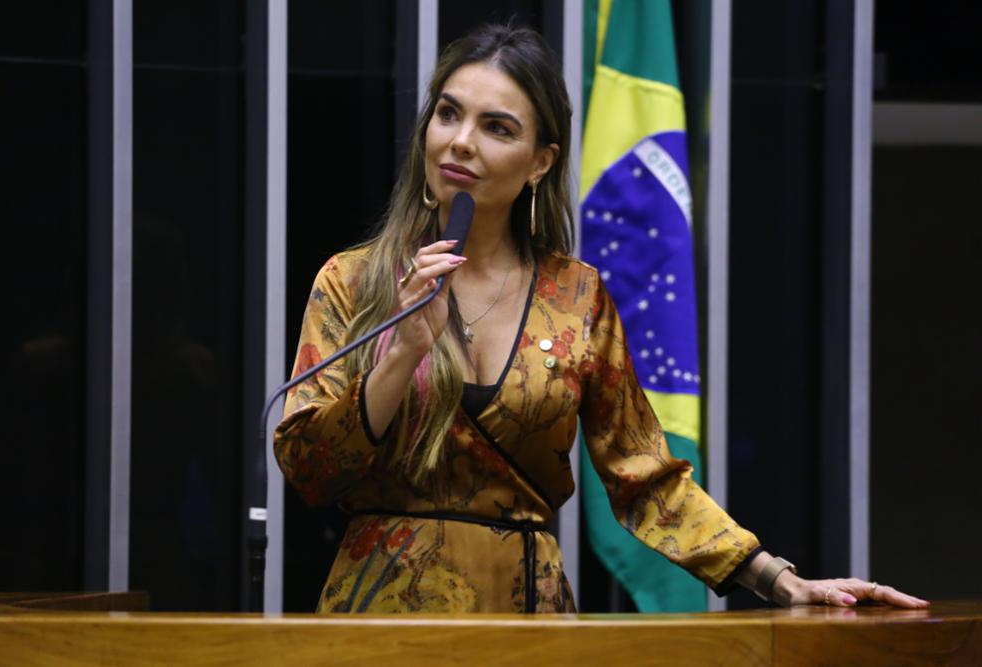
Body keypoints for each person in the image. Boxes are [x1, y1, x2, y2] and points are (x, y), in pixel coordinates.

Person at [273, 24, 928, 614]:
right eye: (448, 113)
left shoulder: (576, 296)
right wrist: (399, 355)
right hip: (380, 615)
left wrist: (776, 578)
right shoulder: (353, 280)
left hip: (527, 617)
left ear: (540, 162)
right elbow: (307, 467)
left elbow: (645, 480)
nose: (461, 141)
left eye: (497, 127)